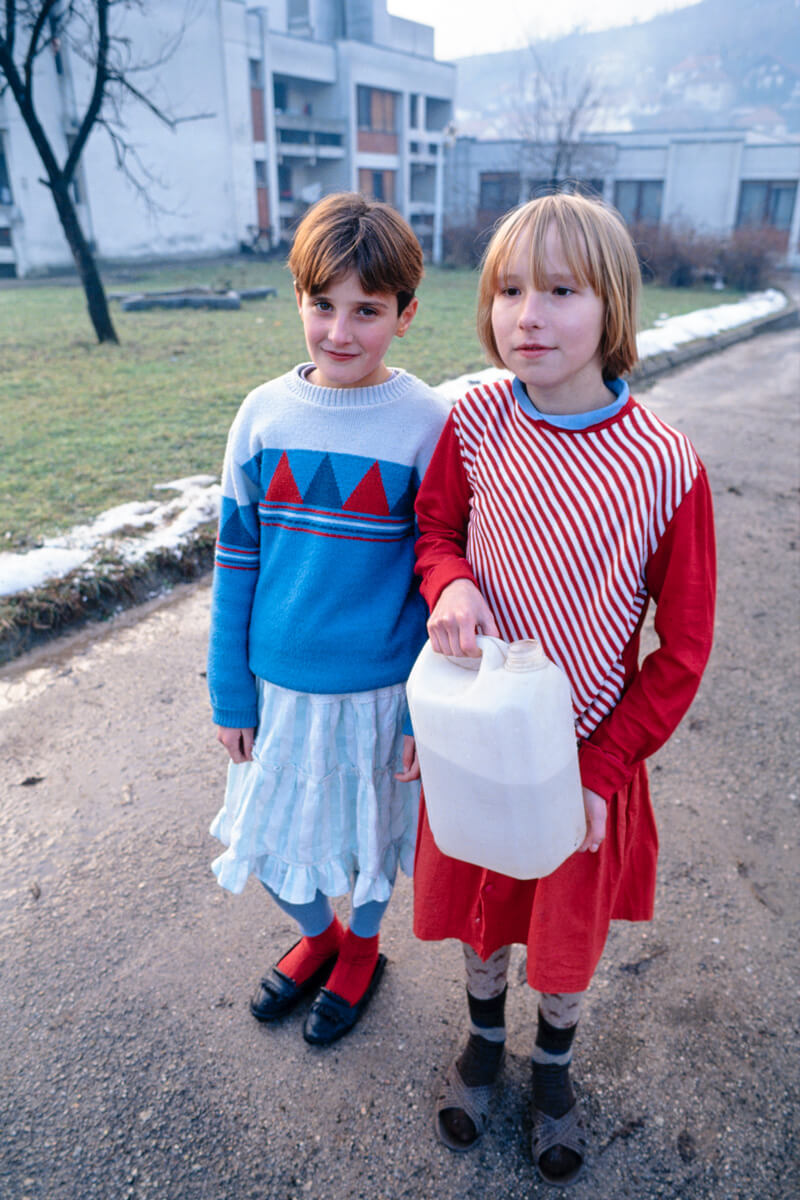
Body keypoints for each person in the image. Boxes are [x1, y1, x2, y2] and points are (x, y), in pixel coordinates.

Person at [411, 192, 716, 1184]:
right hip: (471, 739)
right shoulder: (475, 423)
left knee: (561, 931)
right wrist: (449, 581)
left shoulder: (664, 467)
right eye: (506, 290)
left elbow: (681, 648)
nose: (524, 315)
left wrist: (603, 764)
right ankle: (481, 1042)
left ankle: (551, 1068)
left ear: (613, 308)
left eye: (557, 290)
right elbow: (435, 531)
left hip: (581, 756)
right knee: (481, 908)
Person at [207, 192, 447, 1046]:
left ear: (406, 315)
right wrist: (229, 690)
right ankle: (323, 937)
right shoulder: (262, 416)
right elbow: (236, 561)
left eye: (367, 311)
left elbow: (435, 576)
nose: (340, 332)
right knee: (270, 845)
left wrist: (423, 709)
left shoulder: (427, 424)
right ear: (299, 299)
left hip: (382, 692)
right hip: (276, 690)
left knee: (375, 847)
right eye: (322, 305)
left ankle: (363, 951)